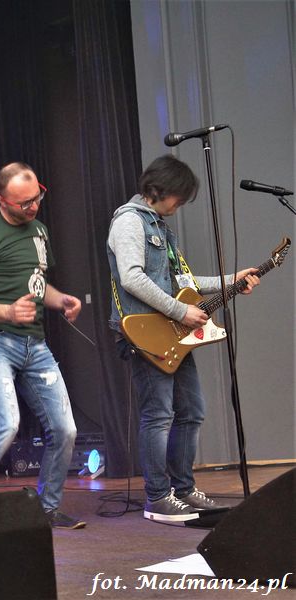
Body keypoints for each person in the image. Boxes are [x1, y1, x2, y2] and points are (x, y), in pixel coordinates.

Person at [107, 154, 260, 524]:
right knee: (158, 415)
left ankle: (184, 489)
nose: (180, 204)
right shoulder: (129, 221)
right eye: (179, 196)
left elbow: (183, 282)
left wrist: (232, 279)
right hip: (146, 334)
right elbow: (132, 278)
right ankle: (158, 498)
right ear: (159, 189)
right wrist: (180, 312)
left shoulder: (160, 226)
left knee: (191, 411)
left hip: (172, 333)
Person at [0, 161, 85, 529]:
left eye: (37, 198)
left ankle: (46, 509)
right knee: (5, 425)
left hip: (34, 344)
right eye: (23, 203)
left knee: (65, 430)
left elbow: (38, 286)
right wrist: (8, 312)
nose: (33, 207)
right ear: (2, 200)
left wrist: (61, 300)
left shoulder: (40, 230)